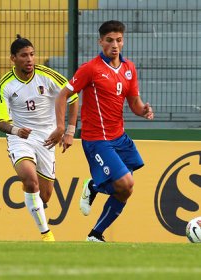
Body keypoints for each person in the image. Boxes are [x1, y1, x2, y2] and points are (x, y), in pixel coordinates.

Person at [45, 20, 154, 242]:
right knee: (126, 183)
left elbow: (134, 102)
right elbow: (62, 95)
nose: (115, 45)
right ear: (100, 41)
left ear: (123, 41)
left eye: (119, 40)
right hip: (97, 140)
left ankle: (95, 234)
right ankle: (93, 186)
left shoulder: (128, 69)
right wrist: (64, 128)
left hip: (120, 139)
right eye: (109, 40)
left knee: (125, 190)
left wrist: (143, 110)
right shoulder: (90, 69)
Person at [0, 35, 79, 241]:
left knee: (45, 195)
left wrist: (69, 131)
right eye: (24, 55)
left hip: (47, 139)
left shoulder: (47, 75)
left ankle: (33, 200)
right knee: (30, 180)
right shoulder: (5, 85)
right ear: (13, 58)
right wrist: (15, 131)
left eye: (32, 55)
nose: (30, 59)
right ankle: (46, 234)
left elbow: (73, 97)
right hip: (21, 138)